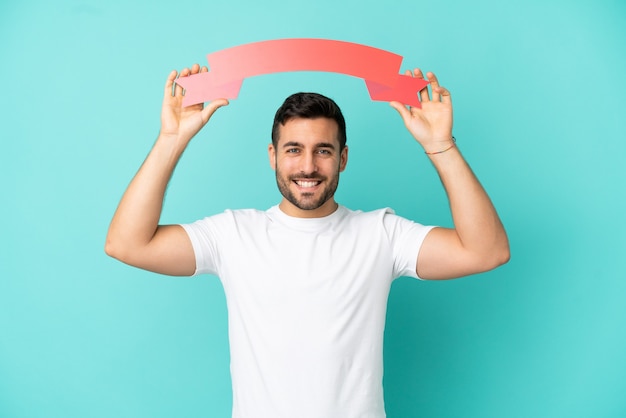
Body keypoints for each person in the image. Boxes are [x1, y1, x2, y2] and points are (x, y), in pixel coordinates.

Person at [105, 63, 510, 418]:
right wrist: (171, 138)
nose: (308, 167)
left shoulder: (381, 234)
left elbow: (486, 251)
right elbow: (127, 244)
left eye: (323, 151)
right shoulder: (233, 234)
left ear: (343, 158)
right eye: (294, 149)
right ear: (273, 155)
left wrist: (440, 144)